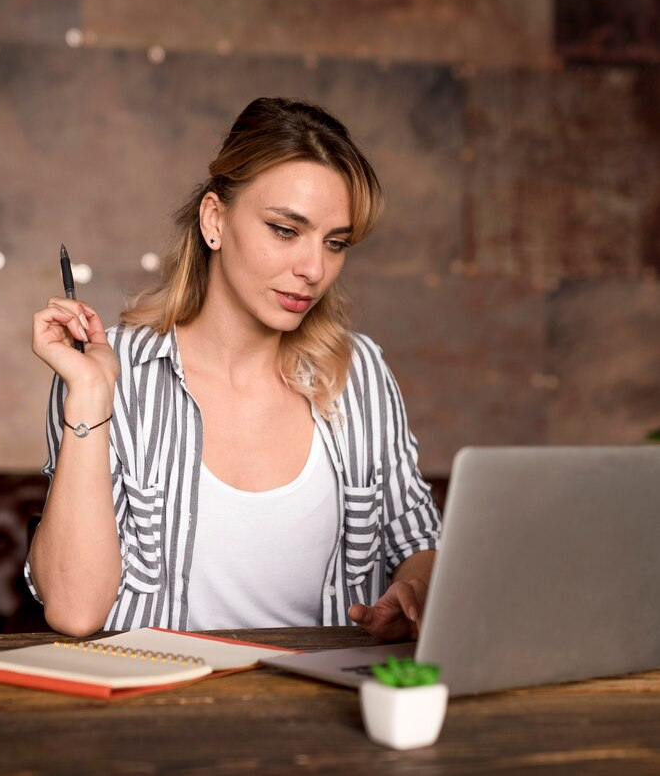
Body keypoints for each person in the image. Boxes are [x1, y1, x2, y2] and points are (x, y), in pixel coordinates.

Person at [27, 97, 441, 640]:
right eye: (285, 230)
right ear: (214, 220)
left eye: (334, 243)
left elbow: (417, 547)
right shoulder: (110, 373)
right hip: (153, 712)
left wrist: (414, 589)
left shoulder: (359, 372)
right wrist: (88, 393)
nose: (314, 269)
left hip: (322, 712)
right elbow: (75, 611)